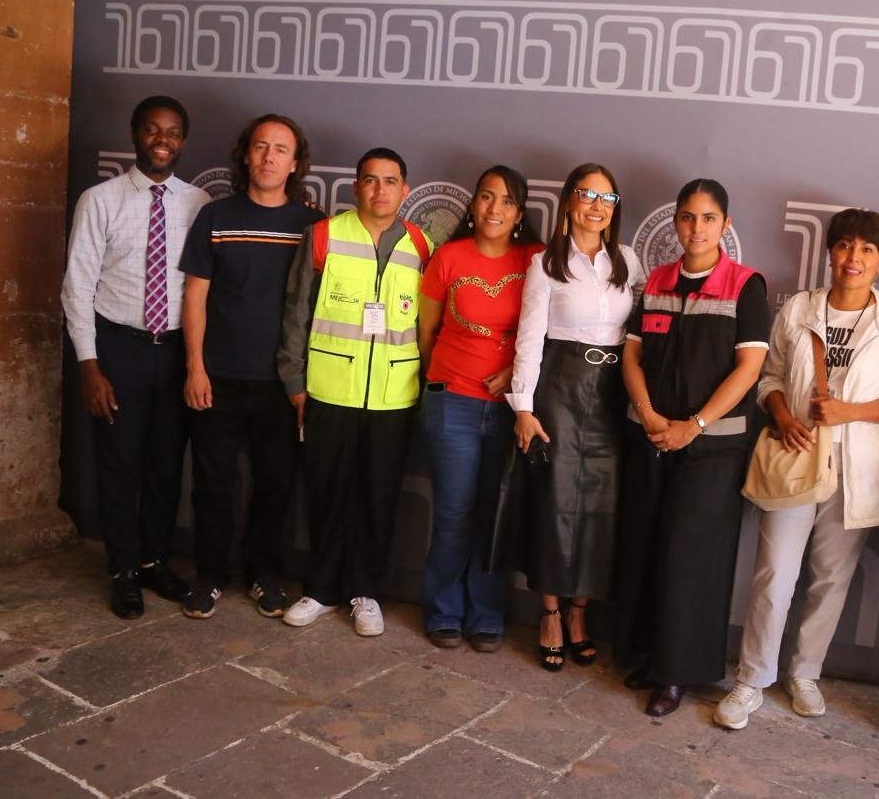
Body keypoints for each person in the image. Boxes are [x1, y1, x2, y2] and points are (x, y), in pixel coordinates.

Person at [714, 208, 879, 730]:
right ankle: (752, 678)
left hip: (858, 468)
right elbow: (769, 377)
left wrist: (852, 411)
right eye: (846, 245)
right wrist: (783, 416)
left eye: (867, 249)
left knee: (831, 579)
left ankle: (805, 673)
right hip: (796, 455)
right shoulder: (800, 308)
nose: (854, 257)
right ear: (830, 252)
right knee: (774, 574)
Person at [616, 178, 770, 717]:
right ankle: (651, 655)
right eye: (687, 217)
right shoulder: (657, 280)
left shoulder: (746, 286)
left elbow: (749, 369)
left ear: (725, 225)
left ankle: (677, 672)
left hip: (712, 450)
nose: (696, 228)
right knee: (649, 546)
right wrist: (649, 413)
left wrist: (694, 425)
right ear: (676, 221)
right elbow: (632, 356)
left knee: (690, 556)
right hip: (653, 437)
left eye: (708, 218)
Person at [61, 95, 212, 619]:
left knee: (166, 465)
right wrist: (89, 364)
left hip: (175, 352)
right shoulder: (99, 200)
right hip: (118, 350)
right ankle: (123, 569)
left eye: (172, 132)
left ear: (183, 141)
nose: (161, 140)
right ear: (134, 134)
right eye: (152, 129)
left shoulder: (199, 203)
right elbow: (77, 286)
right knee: (120, 463)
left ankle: (154, 561)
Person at [276, 147, 432, 637]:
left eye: (390, 181)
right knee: (326, 492)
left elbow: (428, 325)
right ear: (355, 186)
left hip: (394, 395)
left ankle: (366, 592)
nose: (379, 190)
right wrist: (294, 379)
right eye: (370, 179)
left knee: (378, 496)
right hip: (330, 388)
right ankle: (321, 589)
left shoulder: (423, 245)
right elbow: (297, 311)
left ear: (405, 190)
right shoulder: (325, 235)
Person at [178, 114, 323, 620]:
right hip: (216, 377)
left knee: (275, 485)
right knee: (213, 484)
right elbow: (195, 297)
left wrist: (303, 380)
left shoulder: (312, 226)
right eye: (260, 146)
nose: (268, 157)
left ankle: (265, 576)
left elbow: (320, 307)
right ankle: (210, 576)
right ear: (245, 154)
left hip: (281, 384)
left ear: (295, 163)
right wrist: (194, 368)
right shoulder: (215, 217)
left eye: (280, 149)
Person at [507, 163, 645, 671]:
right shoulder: (545, 263)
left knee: (602, 507)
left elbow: (641, 333)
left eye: (607, 198)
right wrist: (523, 407)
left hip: (613, 393)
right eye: (587, 195)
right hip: (560, 388)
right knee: (554, 501)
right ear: (569, 200)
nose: (597, 206)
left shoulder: (628, 261)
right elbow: (529, 337)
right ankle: (549, 612)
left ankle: (579, 612)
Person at [419, 165, 545, 652]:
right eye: (488, 197)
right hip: (452, 403)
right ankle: (444, 610)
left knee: (495, 513)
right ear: (473, 204)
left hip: (511, 410)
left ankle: (487, 614)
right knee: (453, 511)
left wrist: (515, 371)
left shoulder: (535, 259)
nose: (495, 208)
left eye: (507, 201)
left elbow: (550, 332)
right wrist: (451, 378)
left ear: (520, 212)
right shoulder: (449, 257)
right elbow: (426, 334)